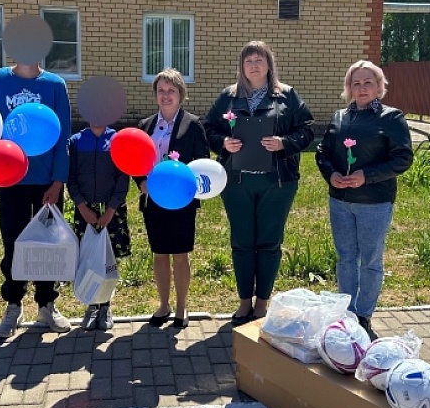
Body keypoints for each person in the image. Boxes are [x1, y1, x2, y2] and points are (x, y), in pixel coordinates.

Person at [203, 40, 314, 327]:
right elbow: (209, 129)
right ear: (242, 66)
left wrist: (284, 143)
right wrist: (224, 142)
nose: (254, 65)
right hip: (237, 182)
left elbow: (307, 130)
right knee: (241, 242)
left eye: (259, 59)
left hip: (276, 183)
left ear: (269, 64)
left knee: (268, 243)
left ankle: (262, 301)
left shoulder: (287, 97)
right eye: (248, 60)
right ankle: (244, 301)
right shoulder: (228, 97)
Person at [315, 60, 414, 341]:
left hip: (374, 201)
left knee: (370, 260)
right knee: (346, 258)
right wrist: (331, 174)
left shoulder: (391, 118)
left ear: (380, 86)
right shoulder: (340, 117)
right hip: (341, 200)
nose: (362, 88)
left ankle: (364, 315)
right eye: (355, 83)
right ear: (348, 88)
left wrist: (366, 176)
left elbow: (403, 158)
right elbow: (323, 152)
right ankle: (346, 312)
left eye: (368, 82)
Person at [0, 61, 72, 338]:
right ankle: (13, 304)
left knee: (47, 245)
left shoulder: (55, 85)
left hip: (47, 182)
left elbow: (63, 136)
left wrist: (58, 181)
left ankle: (47, 304)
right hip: (10, 179)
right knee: (14, 242)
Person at [137, 68, 210, 329]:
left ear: (181, 94)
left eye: (171, 90)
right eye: (161, 90)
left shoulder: (193, 125)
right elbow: (136, 161)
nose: (166, 95)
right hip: (153, 200)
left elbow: (203, 163)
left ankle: (181, 307)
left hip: (181, 202)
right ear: (155, 94)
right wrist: (140, 182)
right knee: (159, 254)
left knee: (180, 254)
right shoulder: (145, 126)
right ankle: (163, 305)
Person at [67, 122, 131, 330]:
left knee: (107, 259)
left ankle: (105, 305)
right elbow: (71, 176)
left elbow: (123, 176)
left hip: (111, 209)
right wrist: (82, 207)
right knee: (89, 257)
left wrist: (111, 209)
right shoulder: (76, 141)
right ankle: (92, 304)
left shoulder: (117, 140)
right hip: (85, 210)